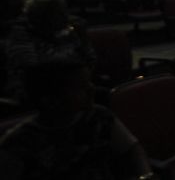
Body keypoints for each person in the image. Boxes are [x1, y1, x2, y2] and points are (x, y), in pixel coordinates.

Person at [0, 60, 153, 179]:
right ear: (50, 101)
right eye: (80, 87)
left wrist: (145, 175)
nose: (91, 89)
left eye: (89, 82)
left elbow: (132, 149)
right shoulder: (18, 144)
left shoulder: (99, 116)